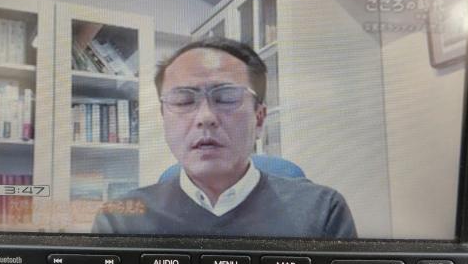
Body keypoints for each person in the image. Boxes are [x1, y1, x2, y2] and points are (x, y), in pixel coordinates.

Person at [92, 37, 357, 238]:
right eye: (183, 100)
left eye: (227, 98)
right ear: (164, 119)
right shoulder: (120, 220)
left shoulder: (322, 211)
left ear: (259, 118)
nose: (205, 117)